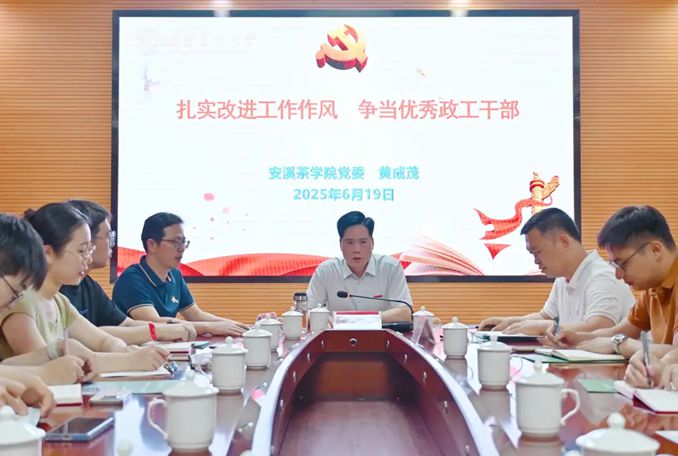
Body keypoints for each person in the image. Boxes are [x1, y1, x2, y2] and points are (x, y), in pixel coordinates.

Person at [0, 203, 168, 373]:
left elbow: (102, 341)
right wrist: (130, 360)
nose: (88, 258)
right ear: (48, 253)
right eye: (82, 251)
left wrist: (125, 350)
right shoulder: (21, 301)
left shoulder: (59, 301)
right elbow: (51, 368)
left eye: (89, 250)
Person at [479, 208, 635, 336]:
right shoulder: (563, 277)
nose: (536, 261)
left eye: (537, 252)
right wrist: (510, 322)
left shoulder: (601, 276)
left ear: (564, 241)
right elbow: (545, 316)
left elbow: (599, 327)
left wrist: (543, 327)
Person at [554, 206, 678, 363]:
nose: (618, 275)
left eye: (622, 263)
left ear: (655, 250)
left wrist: (619, 344)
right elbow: (619, 331)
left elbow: (676, 353)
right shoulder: (652, 289)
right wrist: (579, 338)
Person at [60, 200, 196, 344]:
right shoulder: (58, 290)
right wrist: (159, 331)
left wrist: (169, 328)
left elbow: (125, 324)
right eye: (108, 237)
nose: (112, 244)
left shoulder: (89, 285)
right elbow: (91, 334)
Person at [112, 212, 248, 336]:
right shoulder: (131, 279)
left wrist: (243, 328)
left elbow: (196, 315)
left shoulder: (174, 274)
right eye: (175, 242)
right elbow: (154, 323)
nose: (182, 248)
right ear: (152, 245)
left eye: (183, 242)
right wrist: (209, 327)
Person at [306, 211, 412, 323]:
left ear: (372, 243)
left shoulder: (391, 268)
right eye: (350, 243)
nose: (356, 249)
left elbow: (405, 313)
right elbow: (305, 313)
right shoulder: (326, 271)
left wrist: (360, 320)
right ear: (341, 245)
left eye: (363, 242)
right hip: (338, 333)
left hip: (380, 334)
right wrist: (324, 319)